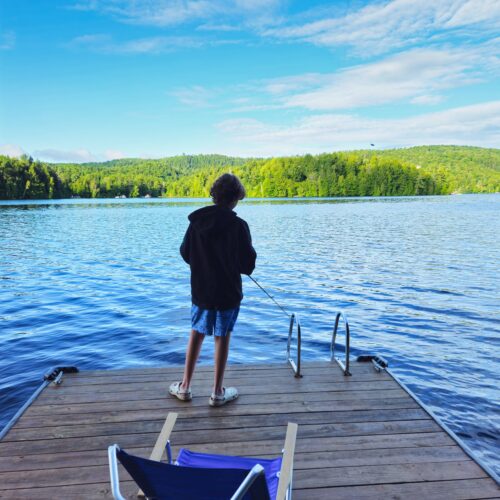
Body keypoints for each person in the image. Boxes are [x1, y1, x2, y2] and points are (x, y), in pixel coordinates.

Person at [169, 173, 257, 407]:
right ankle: (217, 392)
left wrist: (203, 262)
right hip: (228, 293)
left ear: (214, 195)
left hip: (202, 290)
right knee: (222, 336)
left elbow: (185, 253)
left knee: (196, 333)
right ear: (236, 198)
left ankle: (185, 387)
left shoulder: (196, 223)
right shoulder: (239, 226)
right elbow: (248, 266)